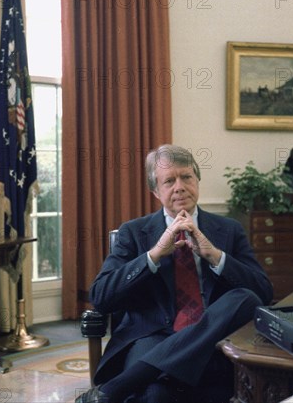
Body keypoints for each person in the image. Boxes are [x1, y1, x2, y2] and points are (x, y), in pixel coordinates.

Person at [76, 145, 274, 403]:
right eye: (169, 181)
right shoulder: (134, 233)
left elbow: (263, 292)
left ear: (197, 181)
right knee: (157, 395)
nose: (179, 186)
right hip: (151, 335)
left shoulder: (229, 230)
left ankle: (113, 390)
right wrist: (155, 254)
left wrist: (215, 255)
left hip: (211, 338)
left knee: (245, 297)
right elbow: (101, 296)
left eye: (186, 177)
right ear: (156, 192)